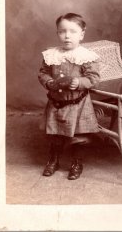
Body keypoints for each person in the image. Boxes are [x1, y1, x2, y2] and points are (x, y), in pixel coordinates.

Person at [38, 13, 100, 180]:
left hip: (77, 105)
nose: (67, 36)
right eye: (62, 31)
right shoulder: (51, 55)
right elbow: (42, 74)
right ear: (57, 33)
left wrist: (79, 82)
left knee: (78, 137)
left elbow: (94, 78)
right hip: (56, 104)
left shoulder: (86, 56)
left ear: (82, 34)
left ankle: (76, 162)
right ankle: (54, 160)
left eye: (72, 31)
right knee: (54, 134)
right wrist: (49, 82)